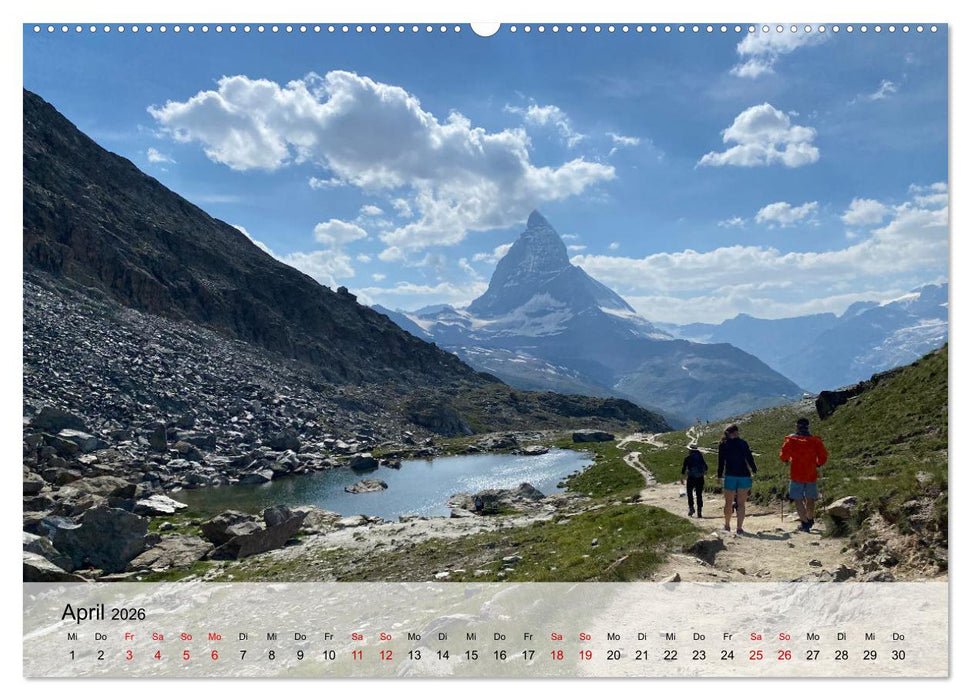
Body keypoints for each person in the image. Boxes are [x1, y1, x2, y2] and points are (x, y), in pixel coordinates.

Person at [780, 417, 828, 532]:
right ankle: (810, 518)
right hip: (811, 473)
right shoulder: (815, 441)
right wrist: (818, 463)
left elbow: (783, 456)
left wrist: (786, 459)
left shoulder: (791, 440)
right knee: (810, 498)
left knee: (797, 499)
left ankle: (804, 523)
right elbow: (823, 456)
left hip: (796, 473)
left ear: (797, 426)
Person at [717, 424, 757, 534]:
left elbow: (721, 462)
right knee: (741, 504)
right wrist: (754, 470)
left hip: (730, 476)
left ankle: (727, 525)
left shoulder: (723, 444)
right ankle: (739, 528)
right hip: (744, 476)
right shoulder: (743, 443)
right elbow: (749, 458)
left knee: (728, 502)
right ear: (736, 432)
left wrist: (719, 475)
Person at [680, 443, 708, 518]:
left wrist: (682, 478)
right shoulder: (700, 457)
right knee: (699, 494)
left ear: (690, 450)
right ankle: (699, 511)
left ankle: (691, 508)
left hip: (691, 477)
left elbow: (684, 469)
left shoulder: (687, 458)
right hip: (700, 478)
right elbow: (706, 467)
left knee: (690, 493)